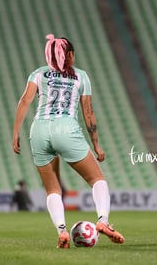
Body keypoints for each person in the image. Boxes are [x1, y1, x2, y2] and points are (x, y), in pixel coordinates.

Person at [12, 34, 125, 248]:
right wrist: (96, 145)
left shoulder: (38, 73)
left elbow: (25, 100)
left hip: (39, 130)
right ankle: (103, 221)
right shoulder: (81, 76)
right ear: (70, 54)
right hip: (66, 128)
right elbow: (88, 113)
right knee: (97, 180)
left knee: (53, 190)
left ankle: (62, 231)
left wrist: (16, 132)